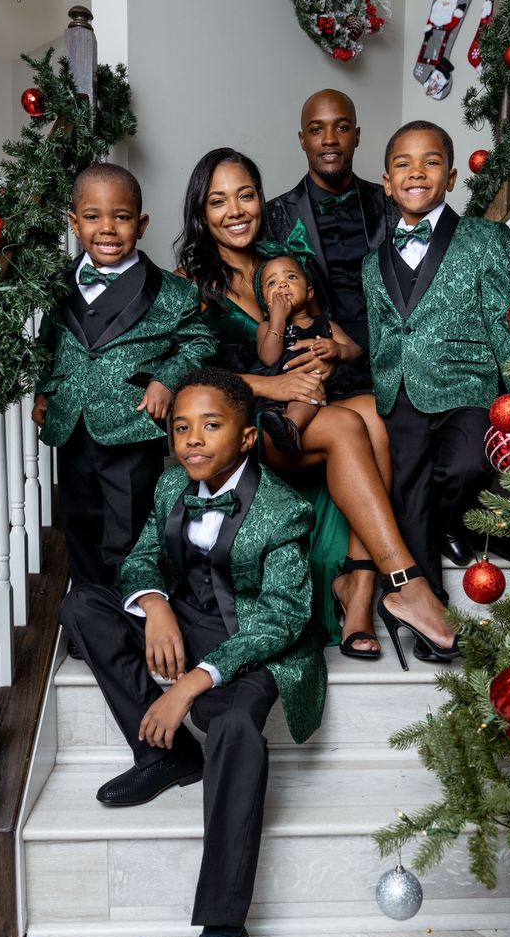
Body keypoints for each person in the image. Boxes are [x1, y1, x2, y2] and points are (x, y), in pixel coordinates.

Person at [60, 367, 327, 937]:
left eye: (210, 425)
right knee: (83, 605)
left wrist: (194, 679)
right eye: (182, 427)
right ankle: (171, 756)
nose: (192, 439)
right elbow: (143, 557)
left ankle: (222, 934)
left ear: (244, 436)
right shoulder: (174, 483)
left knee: (237, 725)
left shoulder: (285, 508)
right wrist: (155, 607)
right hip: (187, 618)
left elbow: (283, 621)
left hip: (253, 641)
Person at [174, 148, 457, 669]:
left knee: (376, 410)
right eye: (218, 201)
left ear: (261, 199)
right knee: (352, 422)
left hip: (314, 402)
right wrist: (272, 386)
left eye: (246, 195)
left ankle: (359, 586)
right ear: (201, 211)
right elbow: (189, 377)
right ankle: (405, 581)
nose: (236, 210)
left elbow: (328, 329)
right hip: (255, 424)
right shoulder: (191, 283)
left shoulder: (285, 261)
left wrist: (328, 357)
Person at [32, 163, 215, 598]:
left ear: (142, 223)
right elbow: (48, 342)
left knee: (129, 526)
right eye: (93, 217)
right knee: (79, 521)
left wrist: (167, 380)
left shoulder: (172, 292)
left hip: (133, 427)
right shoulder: (55, 286)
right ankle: (91, 612)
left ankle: (132, 609)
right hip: (73, 423)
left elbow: (201, 341)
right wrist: (45, 388)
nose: (108, 228)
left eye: (122, 216)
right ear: (75, 223)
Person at [362, 120, 510, 603]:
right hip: (403, 390)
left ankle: (453, 522)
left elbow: (502, 317)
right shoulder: (373, 263)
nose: (416, 173)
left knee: (468, 466)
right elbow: (381, 331)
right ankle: (428, 605)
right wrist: (381, 384)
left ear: (451, 178)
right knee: (408, 489)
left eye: (431, 162)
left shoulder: (485, 238)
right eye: (402, 164)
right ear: (387, 182)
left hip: (468, 385)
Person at [265, 89, 394, 360]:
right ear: (302, 140)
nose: (329, 140)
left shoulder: (392, 204)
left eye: (342, 127)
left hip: (390, 348)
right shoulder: (276, 215)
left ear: (357, 136)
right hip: (316, 353)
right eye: (316, 129)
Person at [255, 248, 366, 454]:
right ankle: (289, 426)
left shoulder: (326, 325)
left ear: (309, 292)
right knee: (303, 393)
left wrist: (338, 349)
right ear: (265, 303)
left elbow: (356, 351)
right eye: (272, 283)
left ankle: (291, 426)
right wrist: (277, 318)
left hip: (330, 389)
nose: (282, 284)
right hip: (291, 391)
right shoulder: (267, 328)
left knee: (314, 389)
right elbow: (269, 358)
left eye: (291, 276)